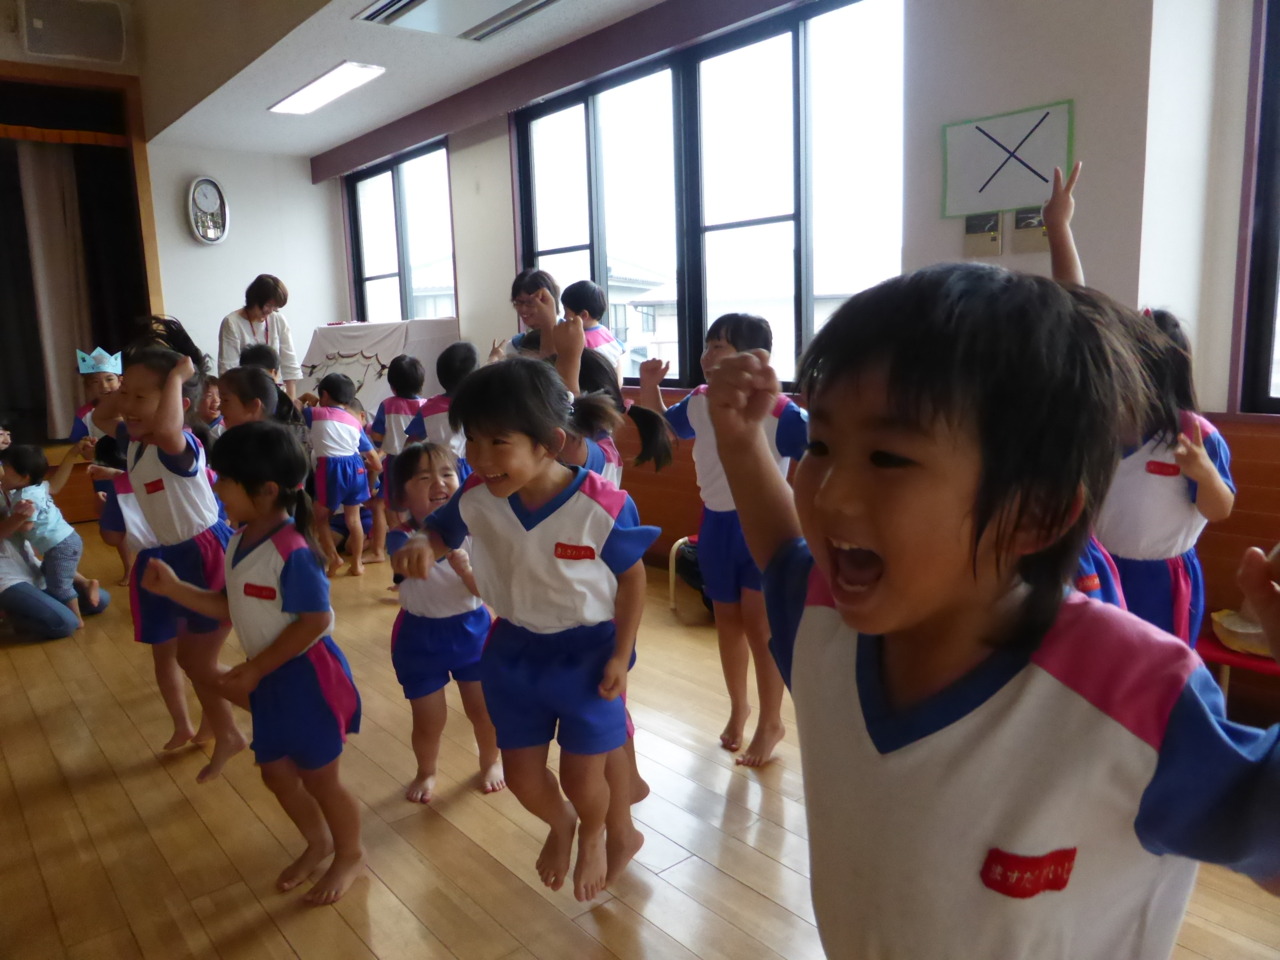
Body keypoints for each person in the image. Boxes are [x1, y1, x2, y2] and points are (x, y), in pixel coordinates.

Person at [709, 261, 1280, 958]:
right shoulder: (828, 620)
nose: (828, 493)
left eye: (888, 457)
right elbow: (781, 556)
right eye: (823, 445)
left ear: (1035, 514)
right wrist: (742, 445)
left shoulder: (1133, 697)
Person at [390, 357, 656, 902]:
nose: (480, 459)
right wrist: (424, 544)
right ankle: (560, 825)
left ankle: (594, 836)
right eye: (473, 442)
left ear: (549, 443)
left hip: (588, 653)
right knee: (523, 776)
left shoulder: (602, 505)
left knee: (587, 779)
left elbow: (633, 582)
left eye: (498, 443)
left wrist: (620, 655)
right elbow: (442, 531)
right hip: (512, 649)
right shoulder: (478, 497)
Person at [141, 420, 364, 905]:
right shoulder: (240, 540)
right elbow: (231, 606)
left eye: (224, 481)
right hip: (273, 679)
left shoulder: (294, 552)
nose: (216, 488)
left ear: (265, 492)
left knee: (321, 779)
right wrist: (176, 590)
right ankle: (318, 841)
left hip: (309, 679)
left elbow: (315, 620)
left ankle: (348, 852)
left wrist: (259, 666)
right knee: (276, 773)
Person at [1044, 162, 1235, 644]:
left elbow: (1222, 508)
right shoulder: (1099, 415)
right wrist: (1058, 227)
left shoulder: (1193, 436)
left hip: (1160, 580)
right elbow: (1076, 310)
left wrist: (1204, 475)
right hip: (1095, 568)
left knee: (1153, 674)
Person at [636, 313, 807, 766]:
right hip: (714, 525)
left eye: (720, 347)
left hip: (763, 531)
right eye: (708, 345)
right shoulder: (699, 401)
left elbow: (825, 453)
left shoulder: (784, 413)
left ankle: (771, 721)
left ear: (757, 360)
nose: (708, 355)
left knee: (760, 626)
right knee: (727, 621)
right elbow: (664, 429)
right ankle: (739, 710)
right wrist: (650, 384)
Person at [98, 316, 243, 779]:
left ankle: (239, 726)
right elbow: (103, 417)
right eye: (127, 394)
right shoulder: (135, 443)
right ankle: (217, 729)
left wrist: (182, 375)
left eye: (142, 397)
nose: (129, 405)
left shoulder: (179, 445)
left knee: (196, 659)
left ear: (179, 406)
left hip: (205, 552)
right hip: (169, 554)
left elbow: (164, 428)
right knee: (190, 657)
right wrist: (125, 392)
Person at [388, 442, 503, 802]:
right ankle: (427, 771)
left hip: (472, 630)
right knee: (428, 719)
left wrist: (465, 565)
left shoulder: (474, 532)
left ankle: (490, 761)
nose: (438, 483)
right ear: (403, 495)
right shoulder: (402, 537)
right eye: (424, 478)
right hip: (419, 637)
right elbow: (404, 565)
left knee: (483, 711)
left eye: (447, 474)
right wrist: (432, 544)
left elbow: (485, 592)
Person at [0, 444, 92, 626]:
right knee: (64, 620)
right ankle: (75, 618)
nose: (5, 437)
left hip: (41, 553)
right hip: (7, 570)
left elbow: (54, 486)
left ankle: (19, 610)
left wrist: (73, 453)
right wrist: (17, 518)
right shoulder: (22, 485)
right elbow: (23, 525)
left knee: (95, 600)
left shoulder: (20, 489)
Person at [302, 373, 374, 577]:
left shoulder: (314, 413)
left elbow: (294, 406)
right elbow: (372, 458)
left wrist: (306, 397)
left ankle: (334, 558)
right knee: (354, 519)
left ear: (324, 394)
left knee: (320, 517)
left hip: (332, 467)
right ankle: (358, 564)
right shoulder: (354, 422)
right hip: (357, 466)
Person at [0, 532, 109, 640]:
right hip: (6, 579)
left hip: (31, 569)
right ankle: (11, 616)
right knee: (66, 624)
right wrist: (21, 518)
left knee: (100, 600)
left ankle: (37, 606)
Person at [369, 353, 428, 537]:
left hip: (395, 462)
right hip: (421, 461)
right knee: (420, 502)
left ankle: (399, 539)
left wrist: (384, 442)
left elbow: (377, 434)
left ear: (393, 387)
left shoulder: (387, 405)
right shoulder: (426, 405)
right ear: (421, 383)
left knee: (394, 506)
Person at [217, 274, 302, 399]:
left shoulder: (278, 319)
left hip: (276, 393)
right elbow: (228, 371)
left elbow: (289, 363)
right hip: (245, 395)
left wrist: (291, 401)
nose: (270, 311)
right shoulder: (232, 323)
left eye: (275, 307)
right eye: (268, 305)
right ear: (254, 299)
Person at [405, 342, 476, 476]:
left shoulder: (429, 407)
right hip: (474, 467)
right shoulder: (478, 405)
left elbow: (411, 441)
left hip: (441, 468)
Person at [561, 281, 626, 380]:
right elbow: (620, 350)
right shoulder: (605, 331)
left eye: (566, 312)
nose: (564, 317)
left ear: (583, 315)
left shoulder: (579, 339)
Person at [493, 270, 559, 361]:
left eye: (530, 302)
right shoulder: (514, 346)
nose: (523, 309)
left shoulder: (571, 337)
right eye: (519, 302)